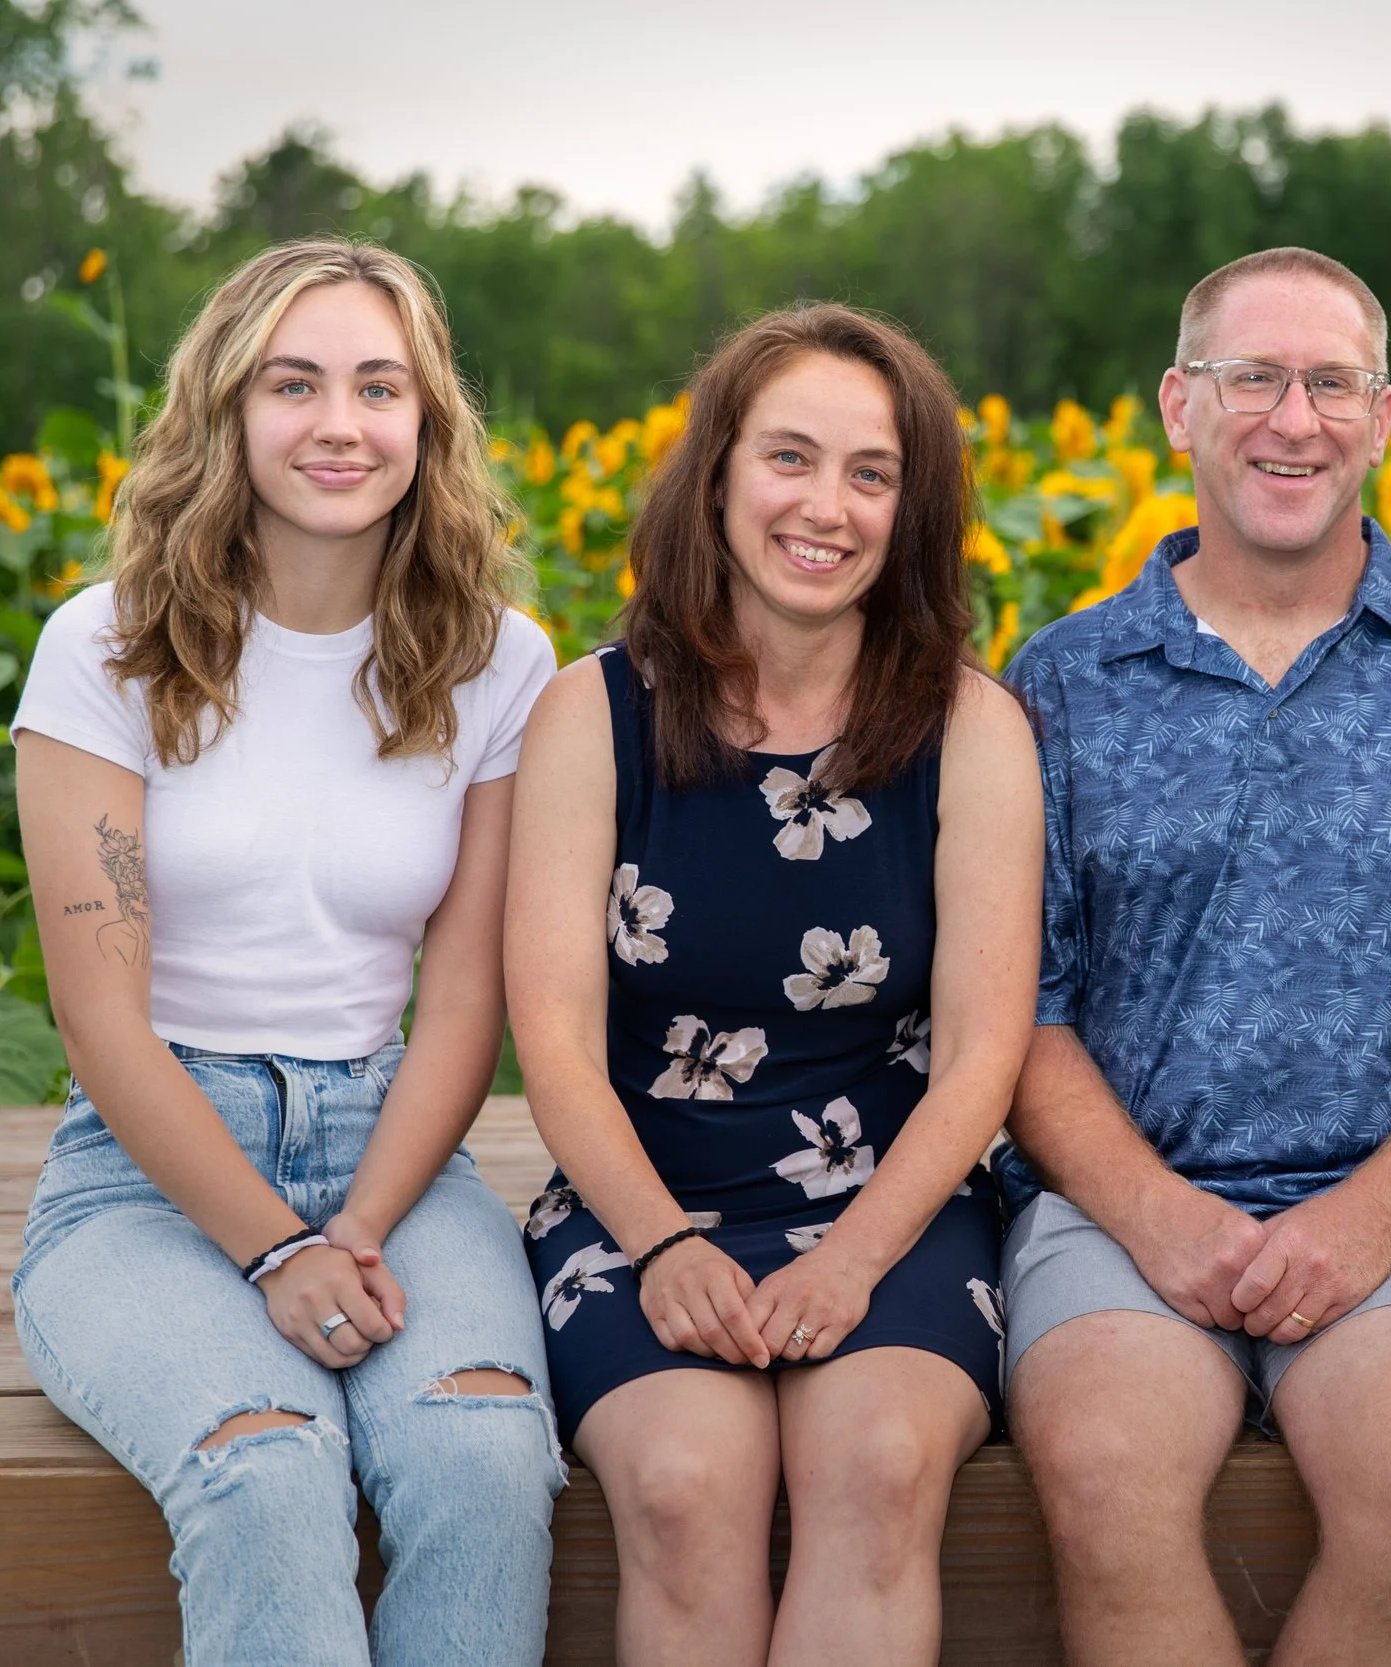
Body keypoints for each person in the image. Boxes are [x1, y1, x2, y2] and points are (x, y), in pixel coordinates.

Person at [998, 247, 1391, 1667]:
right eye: (1252, 377)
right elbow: (1022, 1011)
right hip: (1119, 1202)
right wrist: (1161, 1215)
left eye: (1332, 383)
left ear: (1386, 421)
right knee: (1105, 1477)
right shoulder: (1061, 681)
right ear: (1177, 407)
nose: (1293, 418)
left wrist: (1368, 1220)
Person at [10, 239, 565, 1665]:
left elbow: (464, 1004)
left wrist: (362, 1225)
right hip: (147, 1173)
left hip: (394, 1148)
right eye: (293, 382)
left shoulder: (501, 663)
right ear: (225, 410)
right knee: (264, 1469)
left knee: (486, 1460)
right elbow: (101, 1020)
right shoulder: (111, 647)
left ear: (427, 420)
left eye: (380, 385)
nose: (339, 422)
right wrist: (272, 1246)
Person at [508, 303, 1041, 1666]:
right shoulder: (591, 713)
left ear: (912, 510)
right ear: (721, 474)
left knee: (876, 1472)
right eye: (790, 458)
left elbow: (987, 1048)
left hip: (896, 1202)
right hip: (641, 1200)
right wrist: (666, 1243)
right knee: (686, 1488)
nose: (828, 506)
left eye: (874, 473)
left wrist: (854, 1253)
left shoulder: (970, 727)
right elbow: (555, 1043)